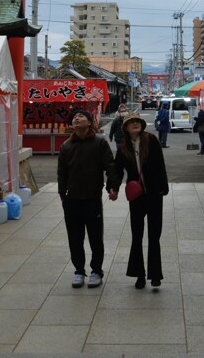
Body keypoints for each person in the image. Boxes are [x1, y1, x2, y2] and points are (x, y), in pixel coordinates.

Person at [57, 107, 119, 289]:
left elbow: (110, 166)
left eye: (81, 116)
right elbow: (61, 173)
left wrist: (112, 187)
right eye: (74, 117)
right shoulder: (66, 146)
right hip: (72, 199)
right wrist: (62, 194)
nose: (76, 118)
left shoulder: (99, 142)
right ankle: (79, 271)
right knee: (75, 238)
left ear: (90, 122)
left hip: (92, 199)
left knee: (95, 238)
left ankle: (96, 271)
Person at [113, 113, 169, 289]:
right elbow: (117, 171)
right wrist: (113, 188)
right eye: (131, 122)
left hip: (154, 194)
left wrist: (163, 187)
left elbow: (160, 164)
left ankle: (155, 275)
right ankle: (139, 274)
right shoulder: (123, 147)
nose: (135, 124)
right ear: (125, 127)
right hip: (136, 196)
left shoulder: (151, 140)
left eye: (138, 121)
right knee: (137, 235)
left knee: (154, 235)